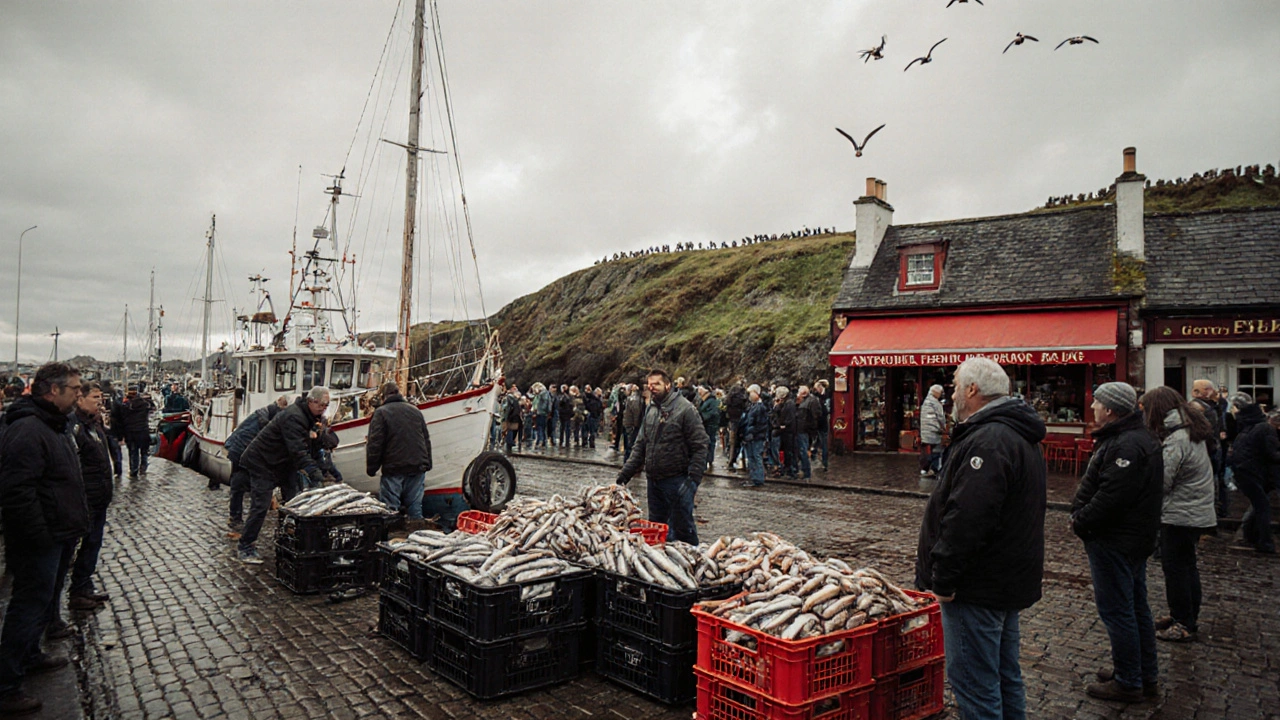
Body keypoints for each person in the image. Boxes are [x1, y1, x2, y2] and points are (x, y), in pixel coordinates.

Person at [915, 357, 1046, 720]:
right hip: (1003, 581)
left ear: (972, 390)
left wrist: (944, 578)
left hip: (978, 586)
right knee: (1004, 677)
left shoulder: (990, 439)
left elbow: (968, 518)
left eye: (957, 385)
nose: (953, 392)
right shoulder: (1013, 432)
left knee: (975, 683)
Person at [0, 362, 89, 715]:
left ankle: (30, 655)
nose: (78, 395)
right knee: (27, 605)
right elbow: (17, 491)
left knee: (38, 603)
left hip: (55, 533)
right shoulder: (28, 431)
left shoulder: (52, 426)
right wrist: (40, 535)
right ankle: (6, 684)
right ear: (53, 391)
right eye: (75, 389)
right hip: (41, 539)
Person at [1071, 381, 1163, 703]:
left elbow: (1112, 497)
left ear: (1110, 409)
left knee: (1119, 610)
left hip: (1115, 540)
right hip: (1131, 538)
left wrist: (1080, 521)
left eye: (1096, 403)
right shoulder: (1134, 438)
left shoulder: (1126, 444)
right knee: (1136, 607)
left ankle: (1129, 681)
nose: (1092, 407)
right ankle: (1142, 673)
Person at [1139, 386, 1217, 643]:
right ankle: (1184, 616)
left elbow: (1163, 480)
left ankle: (1184, 622)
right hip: (1193, 510)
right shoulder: (1188, 430)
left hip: (1181, 513)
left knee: (1176, 570)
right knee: (1186, 566)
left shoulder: (1177, 439)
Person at [236, 387, 332, 564]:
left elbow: (308, 446)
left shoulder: (309, 417)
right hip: (263, 461)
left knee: (293, 502)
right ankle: (245, 546)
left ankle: (289, 540)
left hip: (282, 464)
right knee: (261, 504)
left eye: (326, 405)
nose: (324, 408)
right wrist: (315, 472)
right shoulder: (294, 416)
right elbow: (298, 451)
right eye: (321, 404)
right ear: (311, 401)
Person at [616, 369, 708, 544]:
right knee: (656, 528)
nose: (652, 387)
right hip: (654, 481)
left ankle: (692, 564)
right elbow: (640, 445)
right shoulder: (651, 409)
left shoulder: (685, 409)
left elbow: (701, 445)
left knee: (682, 530)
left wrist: (692, 481)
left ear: (668, 385)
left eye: (656, 384)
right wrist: (624, 475)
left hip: (676, 480)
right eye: (650, 384)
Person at [64, 382, 115, 612]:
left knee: (93, 544)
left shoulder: (94, 425)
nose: (100, 402)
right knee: (78, 546)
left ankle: (83, 586)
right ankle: (76, 593)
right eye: (95, 397)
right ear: (80, 399)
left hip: (99, 496)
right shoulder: (75, 427)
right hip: (86, 497)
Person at [366, 382, 433, 522]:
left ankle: (391, 537)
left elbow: (375, 444)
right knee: (415, 507)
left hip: (394, 467)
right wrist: (428, 463)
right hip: (417, 466)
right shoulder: (415, 411)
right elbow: (425, 439)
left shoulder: (381, 413)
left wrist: (372, 468)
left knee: (390, 509)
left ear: (384, 397)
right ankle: (417, 535)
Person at [223, 396, 288, 531]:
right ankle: (236, 518)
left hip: (241, 449)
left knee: (241, 484)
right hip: (242, 451)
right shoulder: (269, 418)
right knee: (239, 483)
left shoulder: (265, 414)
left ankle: (238, 517)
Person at [1226, 392, 1279, 554]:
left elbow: (1273, 453)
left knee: (1260, 507)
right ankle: (1257, 538)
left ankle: (1261, 540)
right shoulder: (1253, 425)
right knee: (1260, 507)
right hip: (1250, 473)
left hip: (1254, 474)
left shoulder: (1258, 427)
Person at [1189, 379, 1227, 517]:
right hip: (1207, 450)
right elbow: (1205, 431)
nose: (1214, 392)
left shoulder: (1211, 406)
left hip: (1211, 449)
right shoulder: (1198, 408)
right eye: (1209, 389)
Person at [111, 384, 154, 478]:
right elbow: (150, 408)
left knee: (133, 452)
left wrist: (120, 435)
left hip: (131, 432)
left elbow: (121, 419)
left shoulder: (125, 406)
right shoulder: (144, 403)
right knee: (144, 451)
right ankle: (143, 466)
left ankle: (134, 470)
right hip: (143, 430)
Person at [740, 386, 770, 487]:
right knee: (752, 458)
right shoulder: (753, 406)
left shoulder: (760, 407)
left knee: (756, 457)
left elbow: (760, 424)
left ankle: (758, 479)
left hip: (756, 437)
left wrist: (752, 433)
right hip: (751, 436)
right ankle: (754, 477)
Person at [919, 384, 946, 477]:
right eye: (941, 392)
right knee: (936, 450)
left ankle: (924, 469)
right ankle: (935, 468)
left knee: (925, 450)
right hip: (934, 431)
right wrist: (944, 428)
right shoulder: (936, 403)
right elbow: (941, 417)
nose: (941, 395)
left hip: (925, 431)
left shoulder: (925, 402)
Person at [796, 386, 821, 480]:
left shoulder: (809, 402)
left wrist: (811, 429)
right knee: (803, 450)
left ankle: (806, 472)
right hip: (804, 430)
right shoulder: (807, 401)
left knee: (804, 451)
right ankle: (804, 469)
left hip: (804, 430)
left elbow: (815, 416)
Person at [724, 381, 749, 470]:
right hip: (742, 422)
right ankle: (745, 463)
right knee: (744, 443)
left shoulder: (729, 400)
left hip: (732, 422)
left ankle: (731, 461)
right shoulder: (743, 399)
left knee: (732, 443)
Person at [697, 386, 721, 470]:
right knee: (708, 442)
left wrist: (702, 418)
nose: (699, 392)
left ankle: (708, 460)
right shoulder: (704, 400)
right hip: (706, 424)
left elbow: (713, 413)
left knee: (709, 442)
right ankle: (707, 461)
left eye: (700, 390)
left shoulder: (712, 401)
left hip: (710, 425)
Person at [811, 379, 831, 472]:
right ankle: (814, 452)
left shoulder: (827, 396)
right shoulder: (816, 396)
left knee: (823, 442)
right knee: (818, 440)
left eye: (816, 388)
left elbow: (827, 409)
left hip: (823, 422)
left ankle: (824, 462)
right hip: (817, 423)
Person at [622, 384, 643, 462]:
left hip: (630, 425)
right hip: (633, 427)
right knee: (630, 448)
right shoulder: (635, 400)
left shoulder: (631, 399)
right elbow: (636, 414)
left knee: (629, 447)